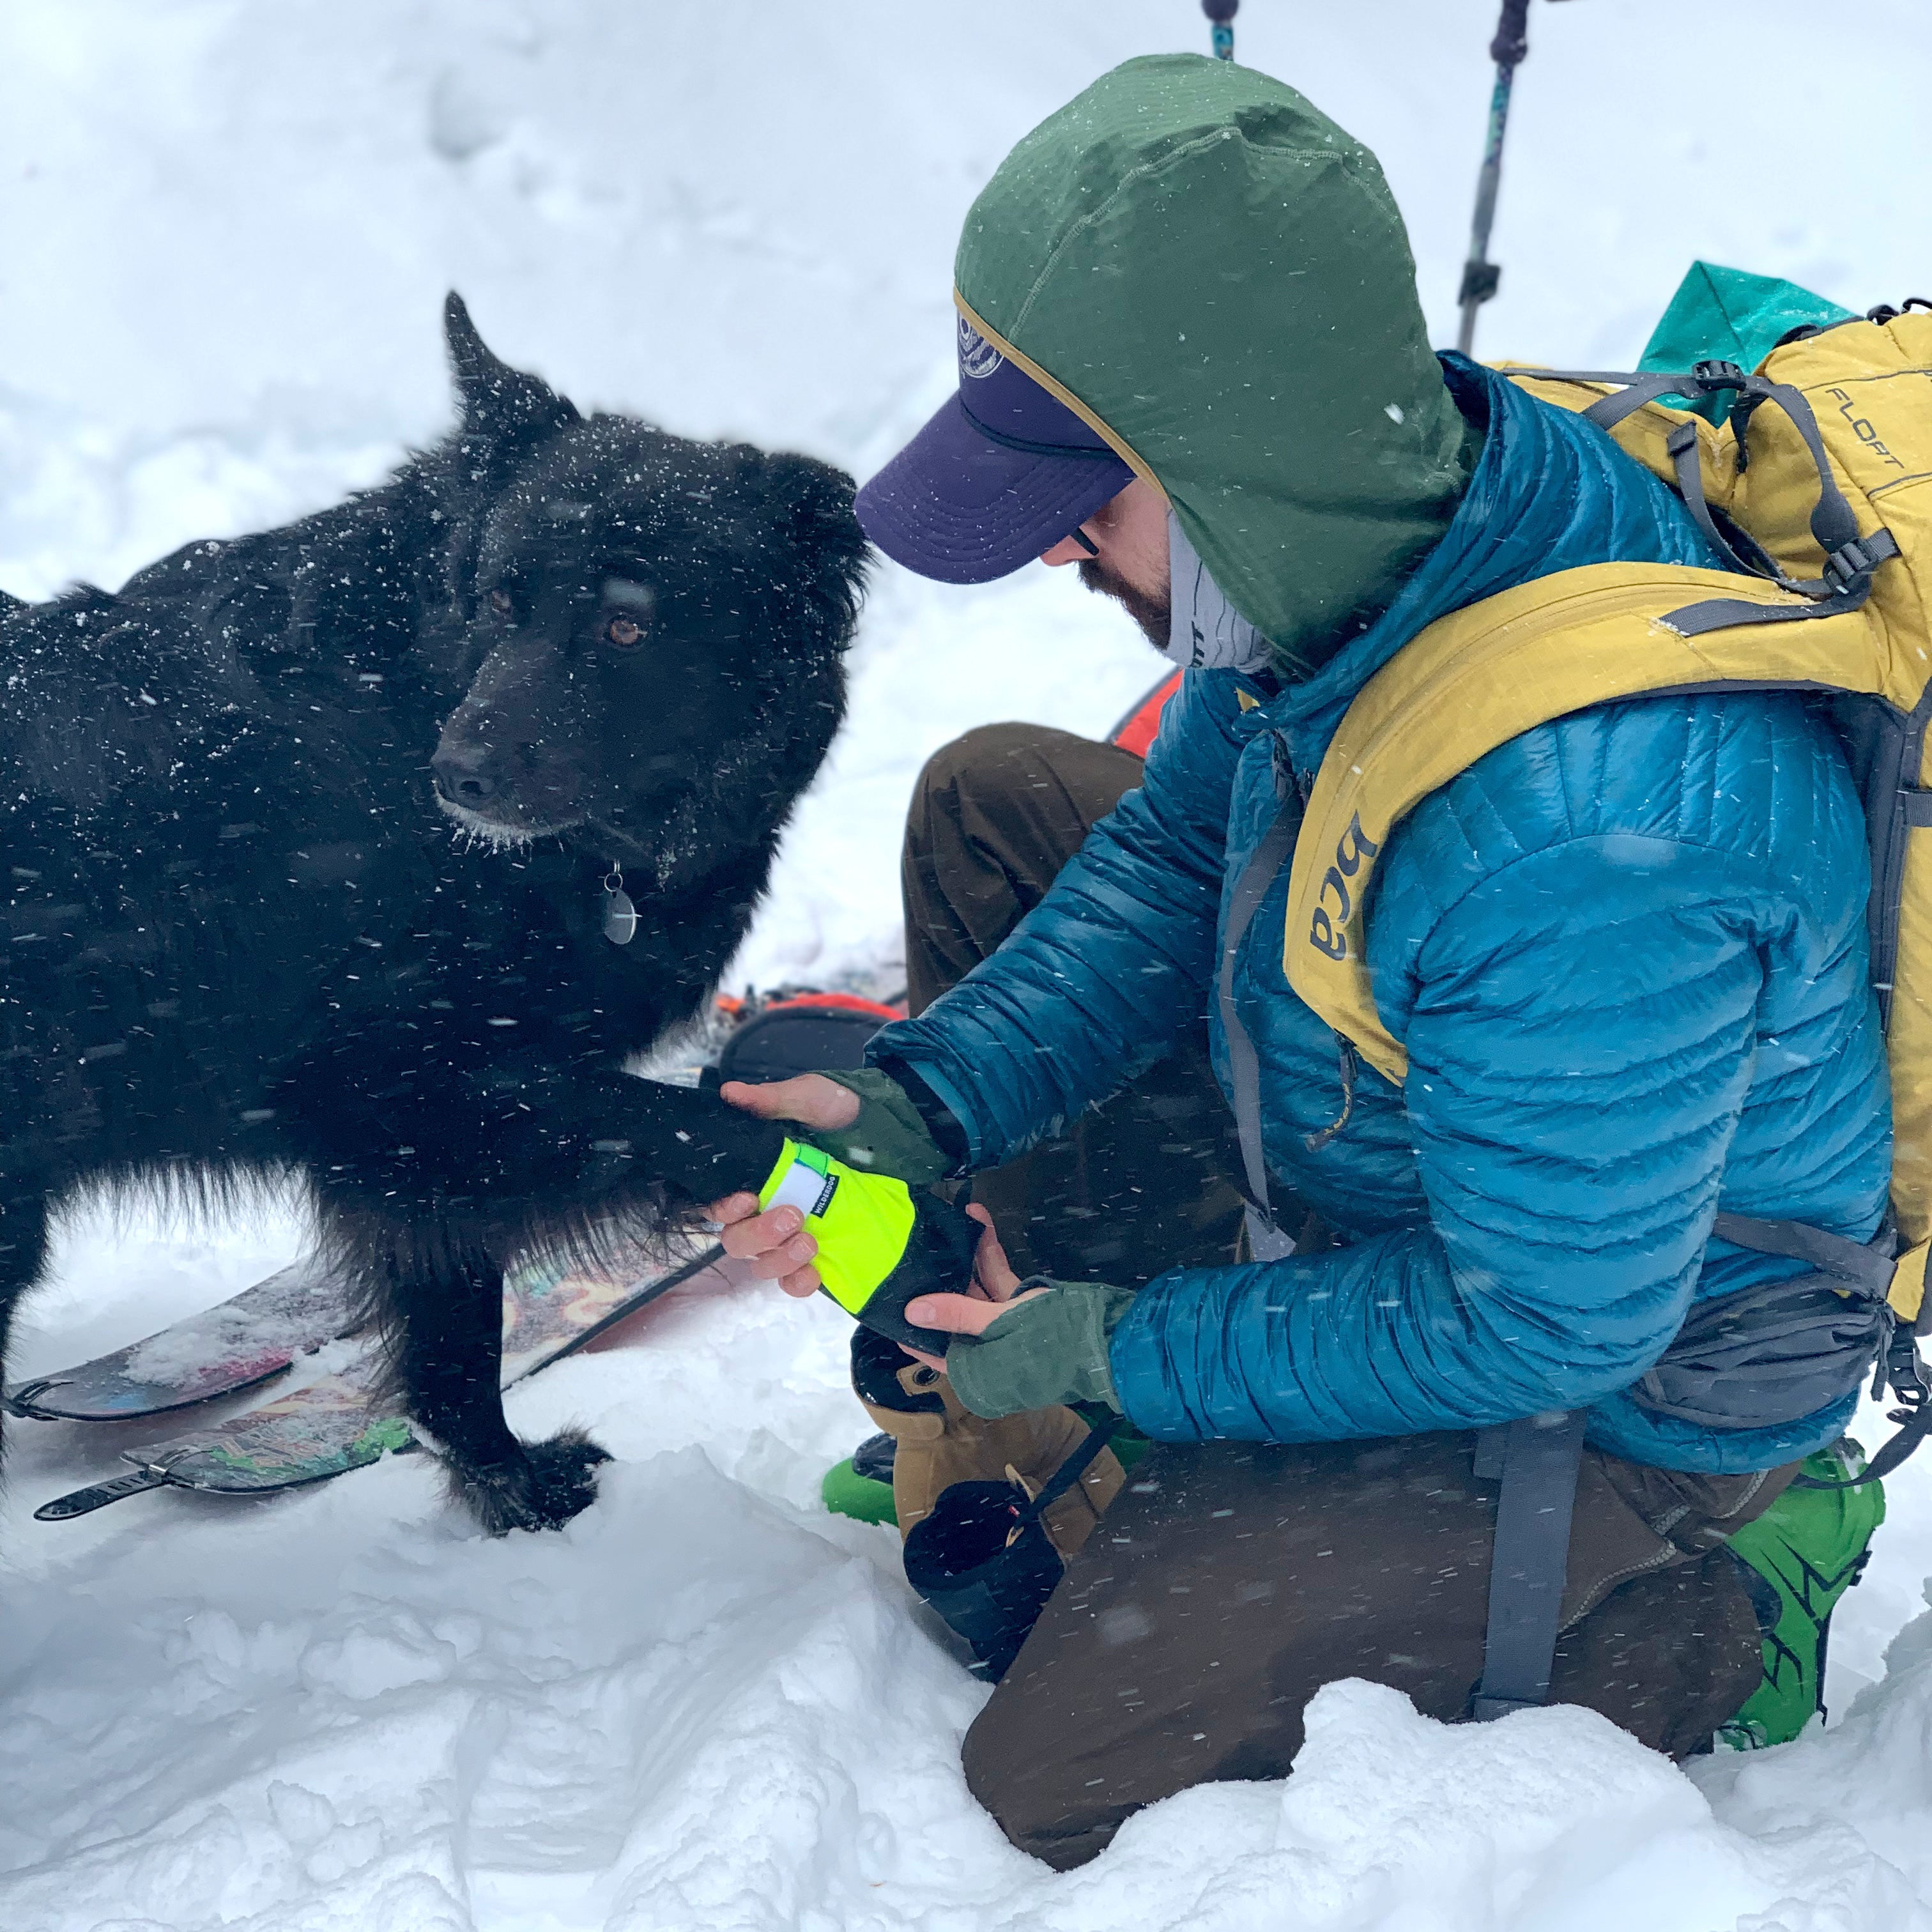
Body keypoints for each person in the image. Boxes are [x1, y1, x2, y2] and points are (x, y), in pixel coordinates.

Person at [705, 56, 1891, 1868]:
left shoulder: (1599, 841)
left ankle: (1725, 1599)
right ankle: (1149, 1428)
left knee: (1058, 1764)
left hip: (1631, 1365)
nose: (1052, 551)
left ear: (1230, 461)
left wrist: (1117, 1351)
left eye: (1081, 499)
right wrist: (923, 1104)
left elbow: (1537, 1319)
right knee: (1000, 803)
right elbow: (1179, 857)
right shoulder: (1353, 547)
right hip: (1450, 1155)